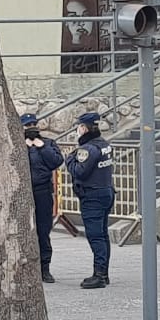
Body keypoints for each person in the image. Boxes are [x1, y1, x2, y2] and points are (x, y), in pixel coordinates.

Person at [66, 112, 114, 289]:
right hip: (105, 191)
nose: (78, 130)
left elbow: (80, 171)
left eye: (79, 127)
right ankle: (104, 272)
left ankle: (99, 275)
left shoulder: (88, 149)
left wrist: (69, 158)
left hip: (92, 196)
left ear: (84, 128)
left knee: (95, 236)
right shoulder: (104, 144)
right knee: (102, 234)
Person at [23, 114, 64, 283]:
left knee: (43, 231)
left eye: (34, 124)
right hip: (23, 193)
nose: (31, 127)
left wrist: (41, 147)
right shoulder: (16, 144)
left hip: (42, 192)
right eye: (27, 125)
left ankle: (44, 268)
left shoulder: (47, 143)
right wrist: (24, 148)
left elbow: (56, 161)